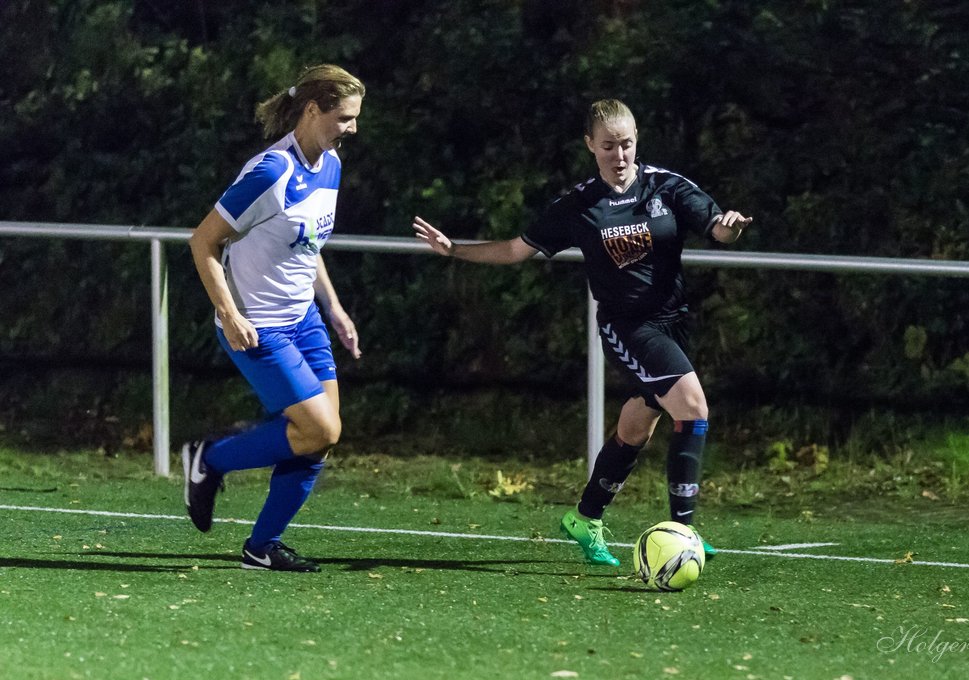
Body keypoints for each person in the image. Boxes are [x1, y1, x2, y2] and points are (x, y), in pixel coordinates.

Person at [412, 98, 752, 567]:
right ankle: (684, 529)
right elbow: (515, 250)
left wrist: (729, 227)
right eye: (609, 145)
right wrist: (455, 250)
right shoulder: (577, 206)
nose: (619, 155)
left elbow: (716, 228)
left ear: (637, 142)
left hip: (676, 321)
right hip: (627, 327)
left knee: (637, 427)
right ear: (590, 145)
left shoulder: (666, 186)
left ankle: (584, 517)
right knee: (693, 408)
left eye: (627, 144)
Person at [181, 64, 365, 572]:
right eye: (345, 118)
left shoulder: (330, 165)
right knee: (318, 430)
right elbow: (204, 241)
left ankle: (261, 546)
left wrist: (334, 307)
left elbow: (308, 247)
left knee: (322, 438)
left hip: (304, 318)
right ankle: (209, 459)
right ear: (313, 110)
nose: (352, 128)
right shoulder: (270, 171)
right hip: (258, 325)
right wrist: (228, 312)